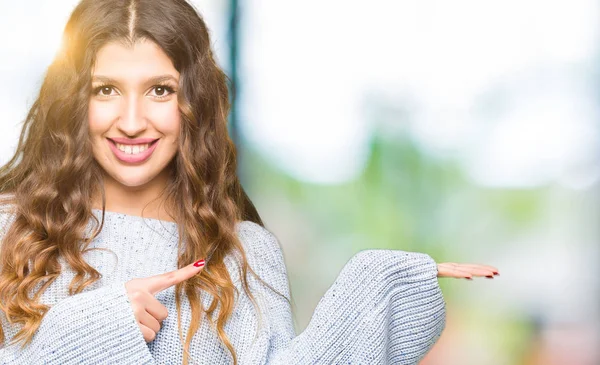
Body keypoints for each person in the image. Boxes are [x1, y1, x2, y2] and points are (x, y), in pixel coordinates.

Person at [0, 0, 499, 364]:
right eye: (105, 90)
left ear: (196, 101)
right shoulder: (9, 230)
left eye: (160, 90)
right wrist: (86, 335)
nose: (132, 121)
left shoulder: (245, 255)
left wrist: (372, 294)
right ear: (72, 101)